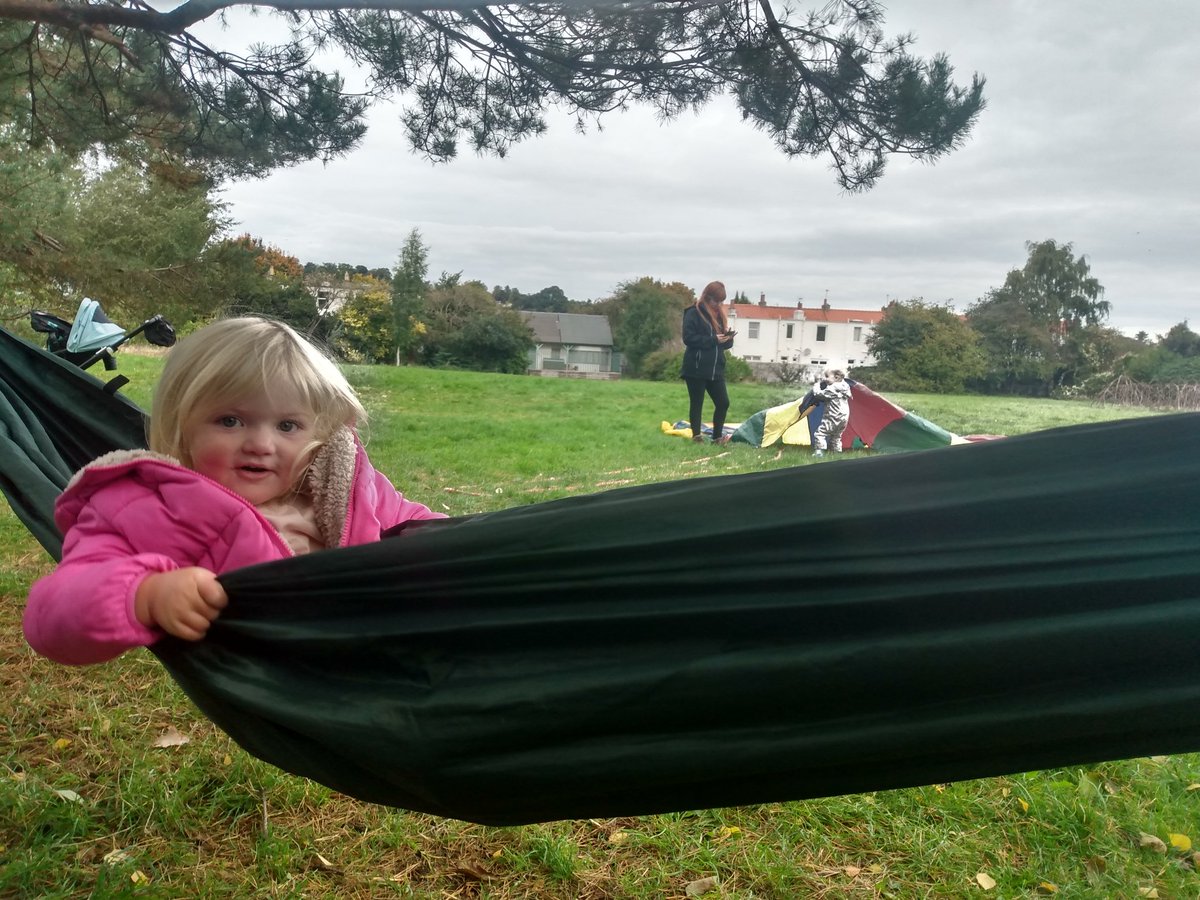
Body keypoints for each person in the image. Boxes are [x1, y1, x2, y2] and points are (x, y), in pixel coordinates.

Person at [23, 316, 444, 666]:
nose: (261, 444)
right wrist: (143, 594)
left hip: (380, 647)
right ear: (181, 425)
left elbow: (423, 529)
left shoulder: (341, 484)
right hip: (286, 674)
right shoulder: (143, 507)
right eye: (230, 421)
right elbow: (52, 613)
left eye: (287, 426)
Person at [680, 281, 736, 445]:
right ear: (707, 297)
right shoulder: (693, 313)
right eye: (716, 301)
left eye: (721, 301)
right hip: (696, 367)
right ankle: (697, 436)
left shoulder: (719, 316)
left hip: (715, 368)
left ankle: (717, 437)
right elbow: (688, 338)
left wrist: (727, 339)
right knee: (697, 403)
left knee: (723, 402)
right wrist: (713, 339)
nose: (719, 304)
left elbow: (722, 344)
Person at [811, 369, 852, 457]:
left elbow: (819, 394)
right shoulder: (845, 386)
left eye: (827, 377)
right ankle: (837, 453)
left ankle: (819, 453)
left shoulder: (833, 388)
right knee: (836, 436)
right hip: (844, 418)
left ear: (836, 377)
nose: (824, 379)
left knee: (820, 433)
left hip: (833, 416)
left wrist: (816, 385)